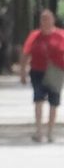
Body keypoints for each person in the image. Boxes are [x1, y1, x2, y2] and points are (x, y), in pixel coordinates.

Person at [20, 9, 64, 142]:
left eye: (48, 18)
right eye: (43, 19)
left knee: (53, 102)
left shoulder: (61, 35)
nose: (45, 22)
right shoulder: (34, 35)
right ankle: (39, 131)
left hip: (56, 72)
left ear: (53, 20)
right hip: (37, 71)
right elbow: (25, 53)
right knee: (38, 99)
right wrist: (22, 72)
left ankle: (50, 132)